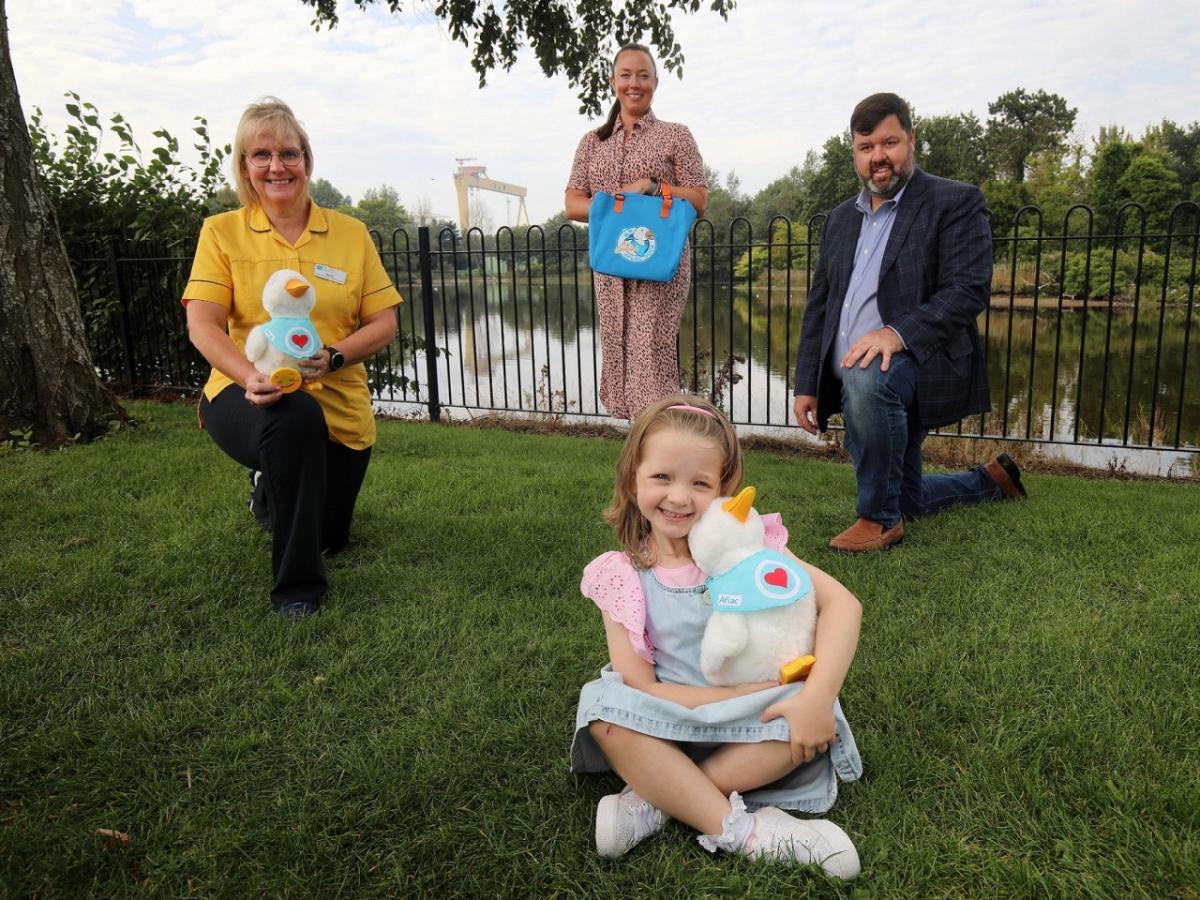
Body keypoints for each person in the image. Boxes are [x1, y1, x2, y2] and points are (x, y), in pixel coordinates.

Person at [570, 395, 863, 879]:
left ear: (725, 488)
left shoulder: (748, 550)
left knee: (808, 718)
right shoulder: (620, 573)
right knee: (604, 712)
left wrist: (817, 696)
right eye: (662, 477)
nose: (679, 497)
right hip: (669, 720)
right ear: (632, 478)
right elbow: (640, 685)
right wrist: (719, 695)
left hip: (749, 724)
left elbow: (842, 604)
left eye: (700, 483)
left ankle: (659, 797)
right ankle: (750, 834)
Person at [182, 97, 402, 618]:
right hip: (246, 395)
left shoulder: (351, 234)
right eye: (261, 154)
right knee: (294, 415)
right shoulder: (221, 232)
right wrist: (249, 375)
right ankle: (297, 590)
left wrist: (333, 357)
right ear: (245, 167)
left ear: (307, 159)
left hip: (339, 406)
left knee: (331, 536)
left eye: (288, 152)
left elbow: (384, 323)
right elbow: (203, 324)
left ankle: (269, 489)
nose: (276, 166)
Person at [792, 93, 1027, 554]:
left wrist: (893, 335)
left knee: (867, 373)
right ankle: (991, 480)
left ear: (911, 140)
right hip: (852, 370)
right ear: (855, 154)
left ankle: (878, 521)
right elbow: (820, 304)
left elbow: (968, 289)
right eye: (865, 147)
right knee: (910, 496)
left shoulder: (954, 201)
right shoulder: (840, 220)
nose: (878, 156)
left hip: (918, 363)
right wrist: (806, 383)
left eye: (889, 142)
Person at [565, 44, 708, 421]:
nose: (634, 83)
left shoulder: (676, 136)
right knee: (620, 354)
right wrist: (614, 201)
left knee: (650, 354)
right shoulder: (592, 143)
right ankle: (644, 453)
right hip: (612, 268)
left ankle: (656, 448)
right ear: (613, 81)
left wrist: (651, 186)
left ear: (656, 82)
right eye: (626, 75)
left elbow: (698, 198)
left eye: (643, 75)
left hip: (659, 266)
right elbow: (572, 203)